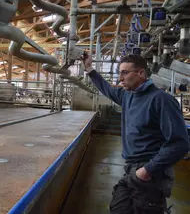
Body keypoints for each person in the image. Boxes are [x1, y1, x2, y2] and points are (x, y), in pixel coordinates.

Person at [81, 53, 189, 214]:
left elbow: (180, 143)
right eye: (119, 73)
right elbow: (107, 89)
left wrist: (147, 170)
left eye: (125, 72)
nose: (120, 78)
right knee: (118, 208)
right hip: (131, 169)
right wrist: (89, 69)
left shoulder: (161, 100)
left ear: (141, 74)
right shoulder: (127, 96)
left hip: (150, 172)